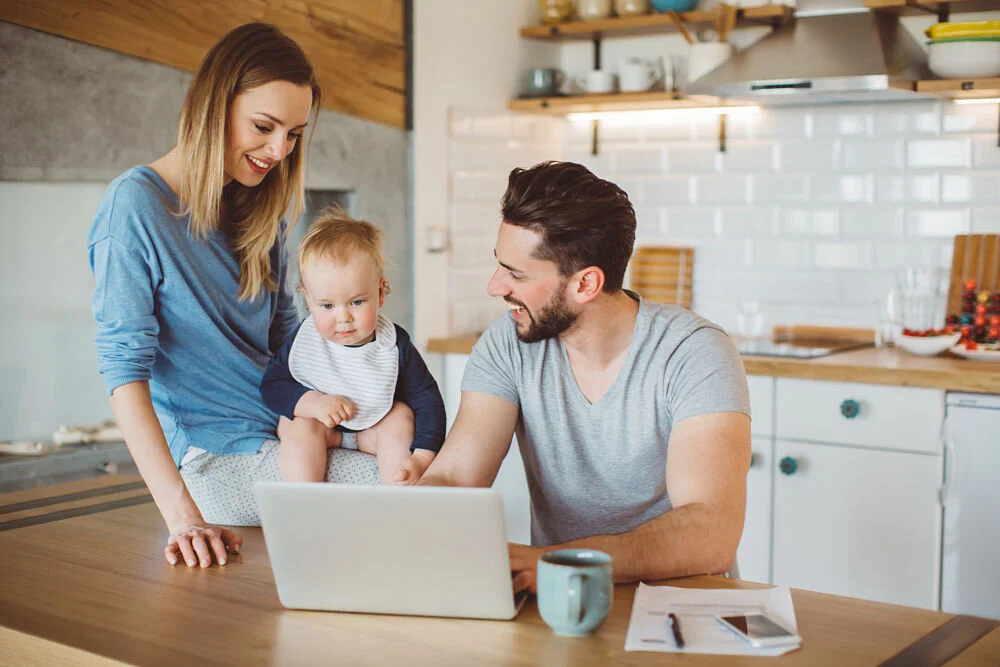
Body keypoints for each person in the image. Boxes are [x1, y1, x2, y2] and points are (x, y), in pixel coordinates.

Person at [88, 23, 380, 570]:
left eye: (293, 134)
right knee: (395, 487)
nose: (278, 151)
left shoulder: (256, 210)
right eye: (264, 127)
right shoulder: (134, 208)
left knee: (418, 460)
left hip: (285, 429)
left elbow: (288, 341)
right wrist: (181, 514)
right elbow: (123, 371)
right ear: (212, 106)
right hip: (212, 458)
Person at [418, 161, 752, 593]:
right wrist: (412, 517)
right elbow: (456, 477)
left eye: (516, 274)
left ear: (585, 284)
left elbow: (710, 532)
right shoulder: (507, 342)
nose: (495, 286)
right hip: (557, 596)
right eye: (500, 266)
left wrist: (560, 563)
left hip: (679, 603)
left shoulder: (694, 351)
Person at [260, 209, 445, 484]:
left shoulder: (394, 345)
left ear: (380, 293)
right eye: (327, 305)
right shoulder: (305, 339)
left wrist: (423, 456)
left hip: (372, 430)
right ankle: (304, 499)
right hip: (321, 427)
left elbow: (428, 401)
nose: (343, 317)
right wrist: (314, 403)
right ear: (308, 301)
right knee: (297, 426)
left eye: (356, 302)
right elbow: (272, 385)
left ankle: (399, 491)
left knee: (401, 416)